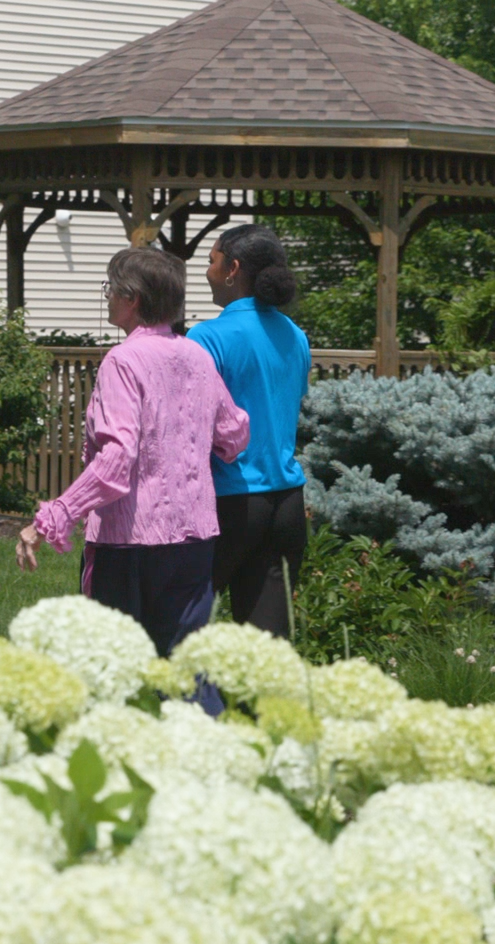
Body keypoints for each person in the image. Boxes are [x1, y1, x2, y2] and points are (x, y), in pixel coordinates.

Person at [16, 247, 250, 658]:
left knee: (113, 667)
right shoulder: (197, 355)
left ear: (132, 299)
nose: (107, 296)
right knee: (185, 672)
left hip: (130, 545)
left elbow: (115, 462)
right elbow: (233, 435)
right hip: (195, 538)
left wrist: (53, 517)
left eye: (111, 288)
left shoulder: (122, 361)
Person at [189, 223, 310, 638]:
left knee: (179, 626)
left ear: (232, 269)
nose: (207, 271)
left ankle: (190, 703)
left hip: (230, 503)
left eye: (211, 261)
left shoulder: (207, 337)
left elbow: (190, 425)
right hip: (287, 504)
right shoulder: (296, 337)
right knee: (266, 649)